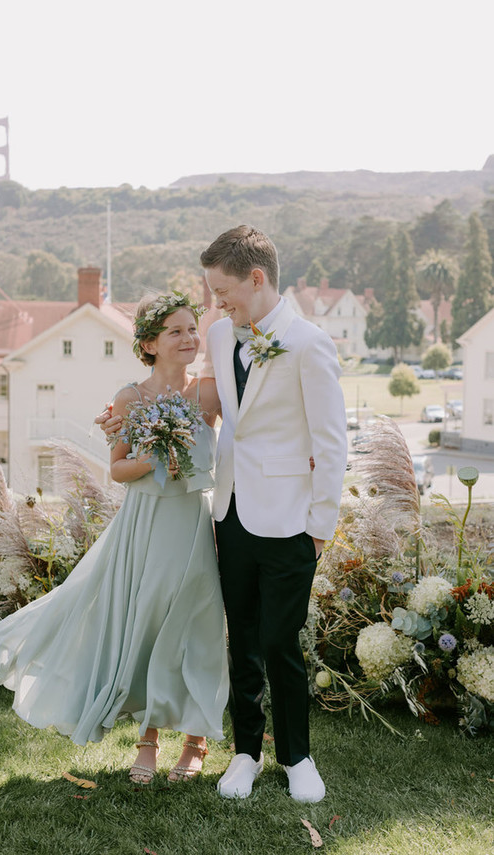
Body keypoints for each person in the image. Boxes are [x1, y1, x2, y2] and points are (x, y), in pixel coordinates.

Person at [0, 292, 228, 785]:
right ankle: (148, 738)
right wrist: (158, 454)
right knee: (147, 623)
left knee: (198, 624)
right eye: (175, 331)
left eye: (191, 329)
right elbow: (117, 469)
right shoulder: (129, 399)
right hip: (145, 521)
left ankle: (197, 740)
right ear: (149, 343)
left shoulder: (208, 393)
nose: (188, 339)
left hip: (193, 519)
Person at [197, 225, 348, 803]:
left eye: (223, 290)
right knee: (242, 640)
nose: (217, 303)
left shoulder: (309, 343)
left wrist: (319, 529)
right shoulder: (217, 335)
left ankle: (297, 758)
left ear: (256, 279)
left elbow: (332, 444)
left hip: (291, 522)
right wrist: (140, 413)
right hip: (230, 512)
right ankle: (245, 753)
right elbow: (211, 408)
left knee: (282, 642)